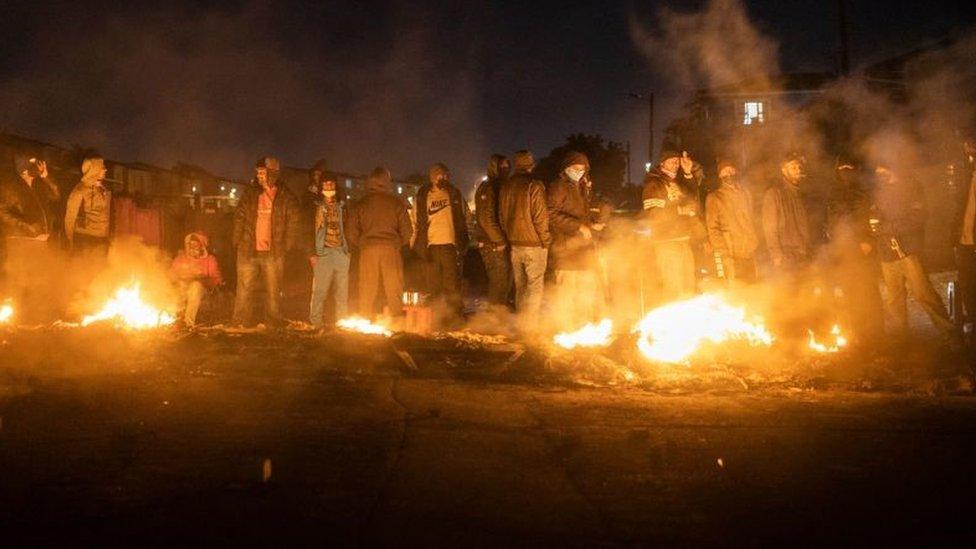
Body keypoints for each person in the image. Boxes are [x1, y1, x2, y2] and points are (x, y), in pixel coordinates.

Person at [872, 162, 955, 336]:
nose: (879, 174)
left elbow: (918, 217)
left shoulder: (910, 187)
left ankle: (950, 335)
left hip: (908, 251)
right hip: (886, 254)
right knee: (894, 301)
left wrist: (889, 228)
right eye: (877, 172)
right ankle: (901, 340)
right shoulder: (879, 192)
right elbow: (875, 217)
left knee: (924, 294)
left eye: (883, 170)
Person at [231, 156, 301, 327]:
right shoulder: (250, 193)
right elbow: (239, 216)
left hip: (274, 252)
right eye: (257, 172)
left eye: (262, 172)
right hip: (248, 250)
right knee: (244, 289)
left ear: (272, 173)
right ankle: (240, 321)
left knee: (273, 290)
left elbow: (294, 222)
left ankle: (273, 321)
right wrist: (236, 240)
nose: (259, 175)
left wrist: (286, 246)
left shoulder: (286, 196)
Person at [825, 155, 884, 344]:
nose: (845, 171)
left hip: (863, 249)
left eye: (849, 167)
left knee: (868, 291)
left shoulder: (864, 191)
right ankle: (858, 334)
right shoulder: (834, 194)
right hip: (844, 250)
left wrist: (867, 240)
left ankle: (875, 334)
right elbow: (832, 221)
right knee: (850, 292)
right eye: (842, 168)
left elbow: (872, 218)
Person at [0, 154, 62, 322]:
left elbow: (56, 196)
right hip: (22, 242)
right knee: (22, 281)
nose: (39, 167)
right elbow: (3, 214)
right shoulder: (11, 188)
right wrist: (30, 229)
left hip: (40, 241)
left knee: (39, 280)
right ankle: (17, 323)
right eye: (34, 165)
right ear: (24, 171)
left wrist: (46, 178)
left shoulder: (38, 186)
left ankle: (36, 317)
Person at [547, 151, 606, 325]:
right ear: (566, 168)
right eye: (575, 168)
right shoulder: (559, 186)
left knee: (586, 290)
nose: (578, 171)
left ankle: (583, 327)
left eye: (582, 169)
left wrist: (591, 225)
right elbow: (550, 213)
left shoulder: (582, 188)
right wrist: (578, 226)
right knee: (566, 293)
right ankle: (564, 328)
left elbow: (583, 213)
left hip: (583, 250)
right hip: (565, 249)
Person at [346, 167, 413, 318]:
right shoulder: (396, 203)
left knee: (367, 288)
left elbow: (350, 232)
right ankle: (397, 323)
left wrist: (363, 243)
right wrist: (396, 243)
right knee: (394, 287)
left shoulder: (361, 204)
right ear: (387, 182)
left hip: (368, 250)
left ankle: (365, 321)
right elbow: (408, 232)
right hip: (391, 250)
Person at [498, 150, 550, 329]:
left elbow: (502, 216)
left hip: (515, 245)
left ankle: (521, 325)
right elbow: (540, 217)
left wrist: (509, 236)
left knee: (520, 287)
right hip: (534, 244)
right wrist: (546, 240)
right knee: (534, 287)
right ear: (531, 165)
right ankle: (531, 328)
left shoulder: (506, 187)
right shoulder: (534, 186)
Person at [642, 149, 701, 302]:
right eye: (671, 161)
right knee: (674, 286)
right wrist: (680, 210)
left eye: (677, 161)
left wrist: (688, 173)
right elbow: (653, 213)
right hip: (666, 242)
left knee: (688, 284)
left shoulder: (678, 182)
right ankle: (673, 321)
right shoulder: (654, 183)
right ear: (662, 163)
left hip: (683, 240)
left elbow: (693, 197)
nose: (675, 164)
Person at [413, 163, 469, 321]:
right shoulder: (423, 195)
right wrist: (415, 244)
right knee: (433, 285)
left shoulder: (454, 193)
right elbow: (417, 221)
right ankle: (435, 317)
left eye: (446, 175)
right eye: (439, 175)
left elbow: (464, 217)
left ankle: (455, 317)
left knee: (452, 285)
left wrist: (463, 241)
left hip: (450, 245)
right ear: (432, 177)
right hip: (430, 246)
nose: (443, 178)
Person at [705, 159, 759, 283]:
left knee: (753, 289)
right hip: (731, 253)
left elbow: (751, 218)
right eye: (725, 171)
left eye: (731, 170)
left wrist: (754, 242)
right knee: (736, 292)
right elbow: (712, 229)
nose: (728, 173)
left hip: (749, 251)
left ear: (736, 171)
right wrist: (724, 253)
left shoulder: (745, 193)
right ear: (720, 175)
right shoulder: (715, 197)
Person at [307, 172, 350, 327]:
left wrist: (347, 251)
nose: (328, 187)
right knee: (319, 291)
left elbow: (348, 228)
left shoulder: (342, 206)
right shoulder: (315, 207)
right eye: (325, 185)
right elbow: (306, 230)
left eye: (331, 184)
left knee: (342, 294)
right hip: (323, 253)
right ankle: (316, 324)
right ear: (321, 187)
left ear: (336, 186)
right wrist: (312, 253)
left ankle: (342, 324)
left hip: (340, 253)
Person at [762, 152, 811, 274]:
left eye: (799, 167)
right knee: (790, 292)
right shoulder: (774, 194)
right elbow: (769, 228)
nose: (798, 170)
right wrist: (776, 254)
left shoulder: (801, 194)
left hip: (803, 253)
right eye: (793, 167)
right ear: (784, 171)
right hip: (786, 255)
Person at [475, 154, 511, 307]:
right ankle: (495, 318)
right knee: (499, 280)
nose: (505, 169)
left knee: (504, 279)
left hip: (497, 241)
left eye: (507, 166)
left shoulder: (500, 186)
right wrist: (499, 240)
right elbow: (486, 218)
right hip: (492, 243)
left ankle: (499, 314)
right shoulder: (489, 188)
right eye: (501, 166)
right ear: (494, 167)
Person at [170, 232, 223, 327]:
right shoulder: (180, 259)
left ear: (202, 246)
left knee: (195, 286)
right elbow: (171, 276)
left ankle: (188, 324)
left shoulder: (210, 260)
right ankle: (169, 319)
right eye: (190, 244)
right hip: (182, 291)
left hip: (202, 293)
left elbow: (216, 280)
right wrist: (181, 279)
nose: (192, 247)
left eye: (196, 244)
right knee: (172, 286)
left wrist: (200, 279)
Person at [65, 155, 112, 256]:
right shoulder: (80, 190)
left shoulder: (104, 190)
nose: (105, 169)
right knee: (85, 271)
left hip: (102, 239)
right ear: (95, 170)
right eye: (102, 167)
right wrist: (70, 242)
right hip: (85, 239)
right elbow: (70, 217)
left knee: (101, 271)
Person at [953, 138, 976, 338]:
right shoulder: (965, 175)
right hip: (965, 241)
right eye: (967, 147)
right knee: (967, 282)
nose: (970, 151)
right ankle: (972, 319)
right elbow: (959, 208)